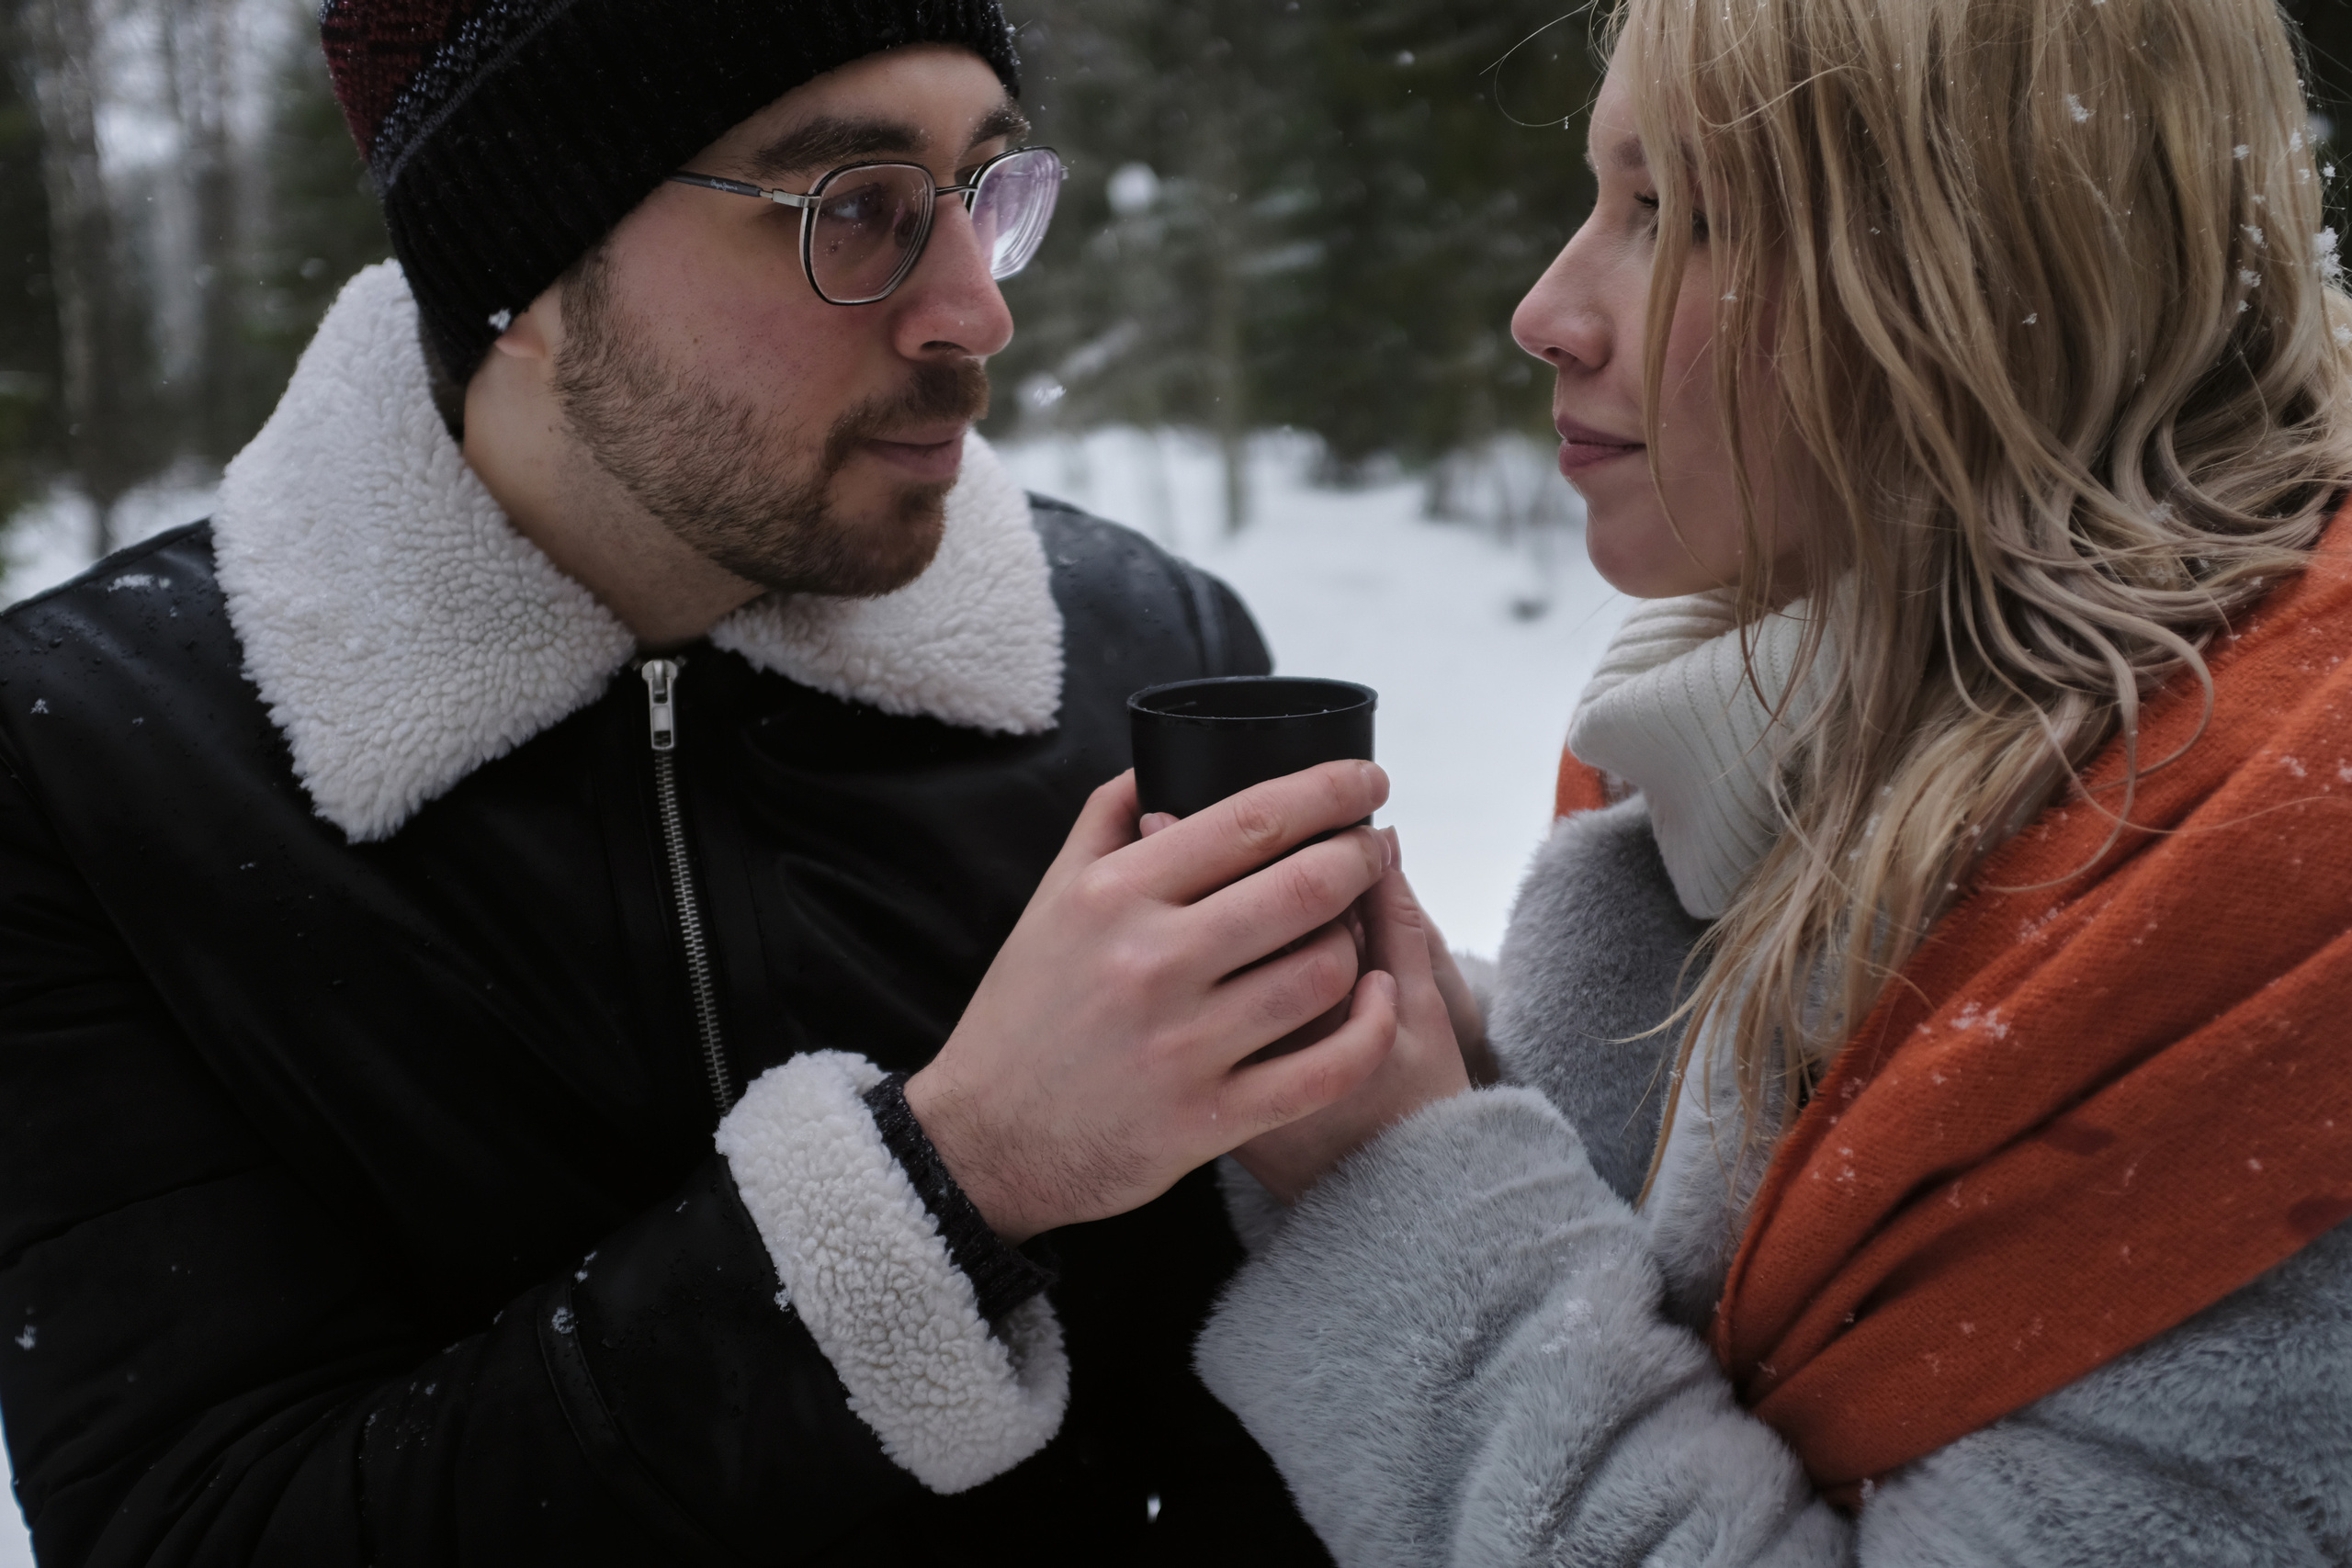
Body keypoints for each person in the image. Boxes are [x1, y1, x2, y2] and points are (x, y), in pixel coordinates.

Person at [0, 3, 1409, 1562]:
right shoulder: (94, 766)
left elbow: (1268, 1429)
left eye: (985, 195)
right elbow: (205, 1528)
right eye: (856, 209)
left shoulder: (1142, 653)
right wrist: (961, 1178)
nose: (973, 313)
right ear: (524, 268)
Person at [1190, 0, 2352, 1560]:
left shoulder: (2280, 928)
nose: (1545, 312)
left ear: (1987, 278)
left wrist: (1404, 1197)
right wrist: (1437, 1082)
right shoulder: (1755, 747)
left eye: (1679, 215)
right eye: (1598, 196)